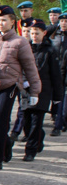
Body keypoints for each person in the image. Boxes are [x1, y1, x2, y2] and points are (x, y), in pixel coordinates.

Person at [0, 5, 41, 171]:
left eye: (4, 20)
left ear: (12, 22)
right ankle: (6, 143)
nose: (0, 23)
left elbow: (30, 67)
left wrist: (35, 90)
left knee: (0, 120)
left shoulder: (20, 42)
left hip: (9, 85)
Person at [23, 19, 63, 161]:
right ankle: (38, 139)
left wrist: (57, 97)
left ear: (44, 33)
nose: (34, 36)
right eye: (31, 33)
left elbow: (55, 75)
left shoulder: (50, 51)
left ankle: (30, 151)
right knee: (26, 123)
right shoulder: (25, 48)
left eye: (37, 33)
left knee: (35, 122)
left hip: (43, 91)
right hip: (26, 91)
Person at [50, 13, 67, 136]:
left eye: (66, 21)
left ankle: (62, 122)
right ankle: (57, 125)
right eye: (62, 21)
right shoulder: (55, 36)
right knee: (58, 99)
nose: (64, 23)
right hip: (57, 70)